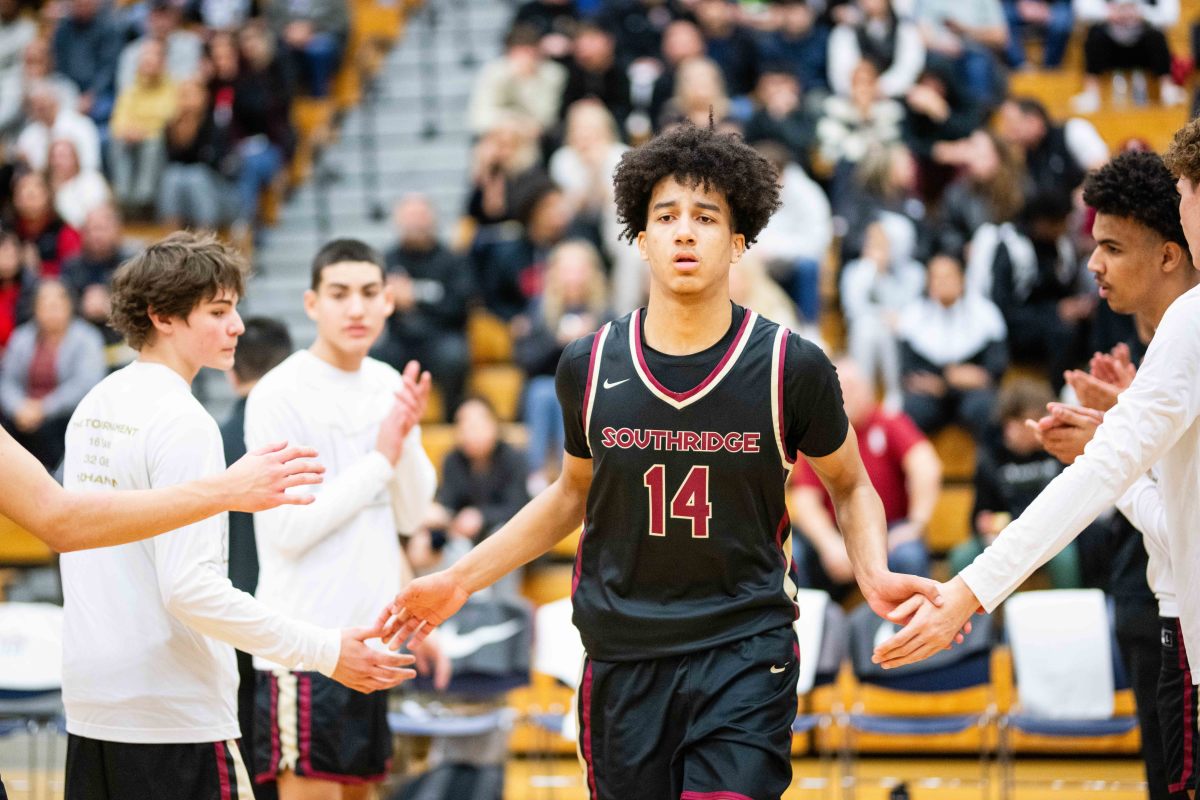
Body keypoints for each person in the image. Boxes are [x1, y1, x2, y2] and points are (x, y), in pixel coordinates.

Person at [378, 121, 943, 800]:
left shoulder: (790, 367)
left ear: (738, 242)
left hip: (744, 648)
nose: (684, 231)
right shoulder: (588, 365)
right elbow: (569, 496)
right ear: (639, 239)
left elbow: (850, 485)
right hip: (623, 656)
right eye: (666, 216)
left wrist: (873, 570)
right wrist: (460, 580)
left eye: (706, 218)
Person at [871, 128, 1200, 797]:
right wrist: (1123, 428)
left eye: (1189, 193)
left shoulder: (1191, 321)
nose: (1093, 263)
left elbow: (1100, 482)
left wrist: (967, 591)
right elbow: (1174, 523)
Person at [58, 232, 418, 800]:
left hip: (92, 705)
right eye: (219, 312)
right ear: (162, 316)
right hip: (175, 711)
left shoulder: (94, 405)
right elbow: (190, 589)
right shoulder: (185, 421)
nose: (239, 328)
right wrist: (323, 649)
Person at [244, 239, 446, 799]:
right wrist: (381, 457)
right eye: (339, 294)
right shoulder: (279, 392)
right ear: (312, 304)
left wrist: (400, 444)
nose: (355, 308)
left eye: (368, 293)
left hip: (372, 647)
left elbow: (406, 512)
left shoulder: (387, 382)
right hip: (306, 646)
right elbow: (287, 531)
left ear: (388, 302)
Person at [219, 315, 295, 798]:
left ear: (231, 370)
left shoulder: (212, 436)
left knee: (240, 746)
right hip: (288, 609)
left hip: (227, 609)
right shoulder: (298, 440)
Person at [791, 357, 942, 595]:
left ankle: (913, 629)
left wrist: (917, 523)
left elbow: (926, 465)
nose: (846, 395)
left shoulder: (888, 422)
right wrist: (830, 544)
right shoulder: (819, 434)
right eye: (840, 388)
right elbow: (806, 502)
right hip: (837, 534)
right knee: (793, 555)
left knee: (909, 555)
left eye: (852, 387)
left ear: (869, 391)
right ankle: (808, 629)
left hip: (888, 533)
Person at [0, 279, 104, 470]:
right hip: (23, 414)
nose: (51, 311)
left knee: (49, 432)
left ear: (69, 306)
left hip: (64, 416)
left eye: (57, 304)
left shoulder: (86, 338)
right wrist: (19, 407)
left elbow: (85, 384)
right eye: (45, 305)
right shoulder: (22, 337)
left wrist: (43, 408)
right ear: (35, 308)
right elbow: (7, 381)